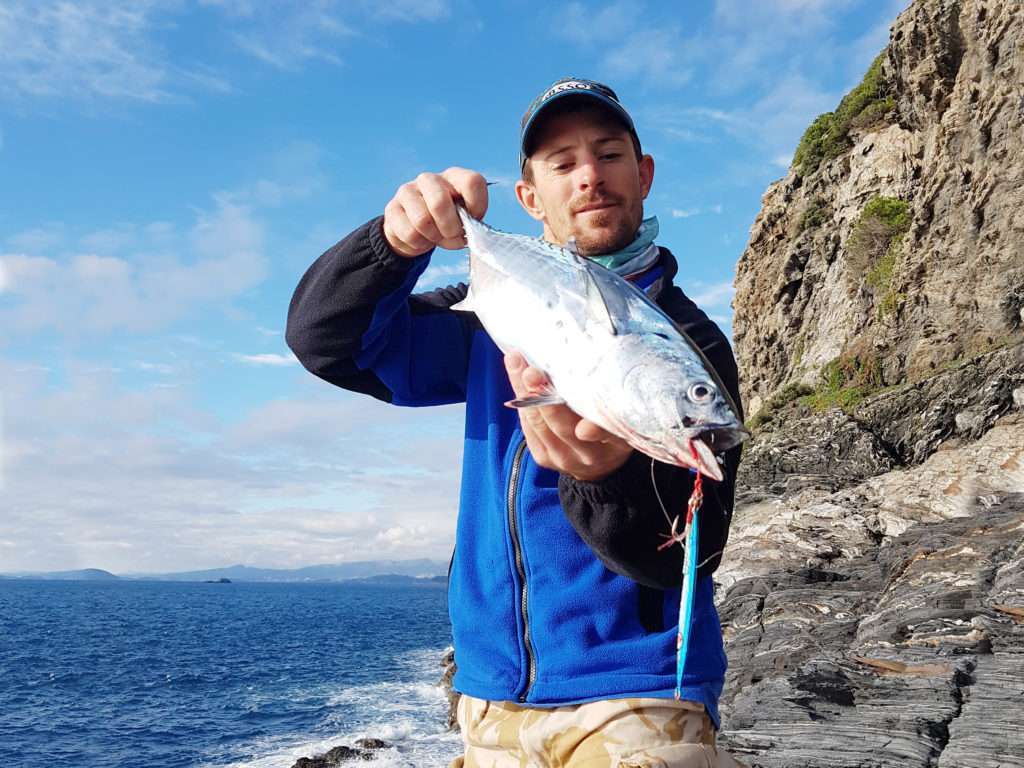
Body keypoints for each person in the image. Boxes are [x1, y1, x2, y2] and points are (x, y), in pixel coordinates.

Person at [286, 77, 746, 768]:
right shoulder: (489, 324)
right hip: (490, 699)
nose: (589, 176)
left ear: (643, 174)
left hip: (641, 697)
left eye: (610, 153)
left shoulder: (689, 347)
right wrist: (393, 243)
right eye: (561, 164)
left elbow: (688, 554)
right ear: (528, 198)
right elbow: (326, 343)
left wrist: (604, 479)